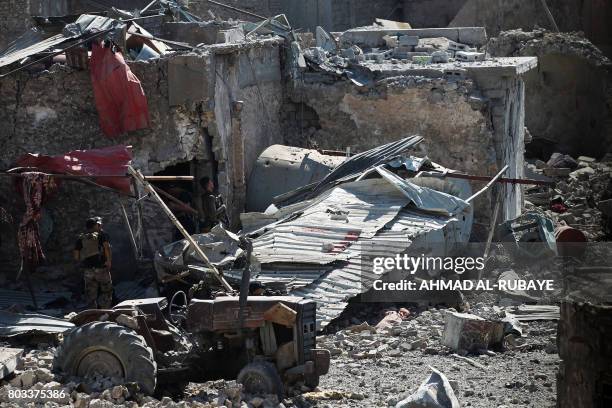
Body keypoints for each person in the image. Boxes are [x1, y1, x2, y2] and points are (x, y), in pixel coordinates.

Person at [73, 216, 113, 309]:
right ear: (96, 226)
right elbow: (107, 247)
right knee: (106, 291)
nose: (101, 226)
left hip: (88, 270)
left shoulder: (81, 238)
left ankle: (93, 313)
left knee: (90, 294)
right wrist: (108, 261)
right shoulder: (102, 235)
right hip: (101, 268)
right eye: (99, 224)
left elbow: (76, 255)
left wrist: (83, 262)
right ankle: (105, 312)